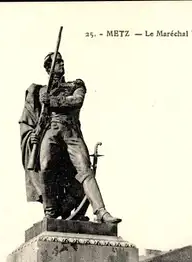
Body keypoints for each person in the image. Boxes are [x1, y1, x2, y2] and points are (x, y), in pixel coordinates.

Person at [19, 52, 121, 223]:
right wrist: (35, 135)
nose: (61, 64)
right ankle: (50, 212)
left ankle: (101, 212)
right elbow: (40, 119)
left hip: (71, 131)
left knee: (85, 168)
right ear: (48, 68)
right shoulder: (41, 91)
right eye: (56, 62)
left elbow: (76, 101)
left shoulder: (76, 85)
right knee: (45, 167)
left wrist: (51, 101)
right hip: (50, 131)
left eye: (61, 61)